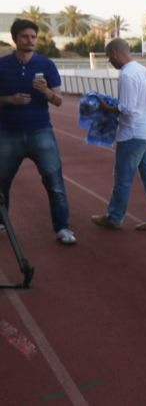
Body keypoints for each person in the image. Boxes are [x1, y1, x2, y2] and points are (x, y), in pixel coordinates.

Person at [0, 18, 75, 245]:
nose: (30, 40)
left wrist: (46, 92)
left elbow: (59, 100)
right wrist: (9, 100)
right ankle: (1, 221)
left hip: (40, 132)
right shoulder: (2, 65)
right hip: (7, 133)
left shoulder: (46, 65)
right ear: (14, 39)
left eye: (33, 37)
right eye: (25, 36)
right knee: (1, 182)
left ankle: (62, 228)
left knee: (54, 181)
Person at [91, 39, 146, 232]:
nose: (111, 62)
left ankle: (114, 216)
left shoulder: (126, 75)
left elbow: (126, 109)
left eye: (110, 57)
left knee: (123, 178)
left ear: (117, 53)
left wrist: (105, 107)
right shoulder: (143, 71)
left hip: (133, 134)